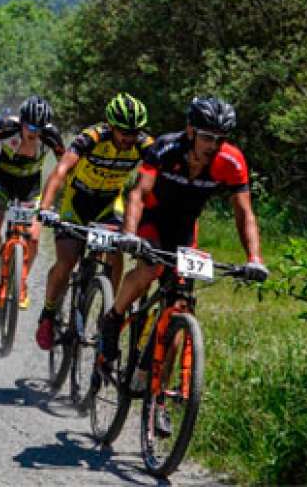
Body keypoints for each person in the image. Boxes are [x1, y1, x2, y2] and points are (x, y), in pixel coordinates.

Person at [98, 96, 269, 367]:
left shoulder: (232, 161)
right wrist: (129, 234)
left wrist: (254, 259)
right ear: (191, 131)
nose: (213, 146)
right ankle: (113, 318)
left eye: (219, 139)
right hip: (151, 219)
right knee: (149, 269)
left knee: (181, 305)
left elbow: (244, 213)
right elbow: (139, 193)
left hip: (185, 227)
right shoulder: (166, 148)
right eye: (206, 138)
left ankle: (158, 399)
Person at [34, 93, 153, 350]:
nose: (129, 138)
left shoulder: (144, 144)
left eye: (134, 133)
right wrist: (45, 207)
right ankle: (48, 313)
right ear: (111, 126)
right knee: (67, 260)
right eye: (123, 132)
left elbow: (162, 174)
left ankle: (107, 307)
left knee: (118, 249)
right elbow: (61, 171)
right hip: (76, 202)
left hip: (109, 204)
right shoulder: (92, 137)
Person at [0, 95, 65, 307]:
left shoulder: (51, 136)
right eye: (29, 125)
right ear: (21, 122)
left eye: (38, 127)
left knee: (34, 236)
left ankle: (22, 281)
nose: (33, 131)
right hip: (3, 181)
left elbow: (66, 169)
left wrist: (62, 201)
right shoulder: (6, 128)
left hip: (30, 186)